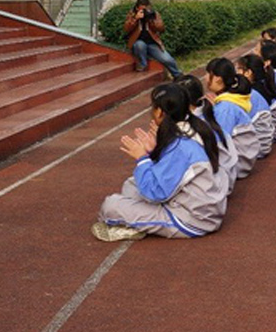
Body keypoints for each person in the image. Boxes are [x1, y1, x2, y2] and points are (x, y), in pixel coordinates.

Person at [94, 83, 228, 241]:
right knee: (131, 185)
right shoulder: (191, 129)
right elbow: (171, 173)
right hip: (200, 208)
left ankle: (135, 225)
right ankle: (140, 222)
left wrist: (142, 159)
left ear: (159, 112)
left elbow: (156, 193)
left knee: (111, 206)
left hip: (192, 219)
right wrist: (153, 153)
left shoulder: (180, 146)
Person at [123, 0, 181, 77]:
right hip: (138, 43)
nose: (144, 11)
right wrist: (135, 19)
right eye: (142, 9)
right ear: (137, 8)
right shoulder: (132, 14)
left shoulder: (153, 14)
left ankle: (177, 75)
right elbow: (126, 29)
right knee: (140, 45)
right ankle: (142, 64)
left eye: (146, 9)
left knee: (167, 59)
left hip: (152, 43)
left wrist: (152, 20)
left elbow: (161, 28)